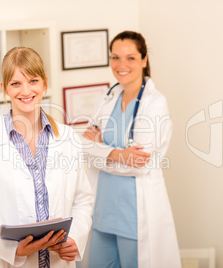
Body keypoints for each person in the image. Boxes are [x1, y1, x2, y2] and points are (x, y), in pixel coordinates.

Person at [0, 46, 93, 268]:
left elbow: (83, 200)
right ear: (4, 88)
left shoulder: (68, 138)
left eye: (33, 81)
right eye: (16, 83)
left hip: (57, 261)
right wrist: (13, 250)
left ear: (44, 83)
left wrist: (74, 239)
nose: (25, 91)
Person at [81, 31, 181, 267]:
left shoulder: (155, 103)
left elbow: (139, 164)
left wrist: (101, 148)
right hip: (102, 212)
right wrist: (117, 153)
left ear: (144, 60)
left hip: (134, 215)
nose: (121, 65)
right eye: (115, 57)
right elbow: (83, 146)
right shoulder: (108, 97)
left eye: (130, 58)